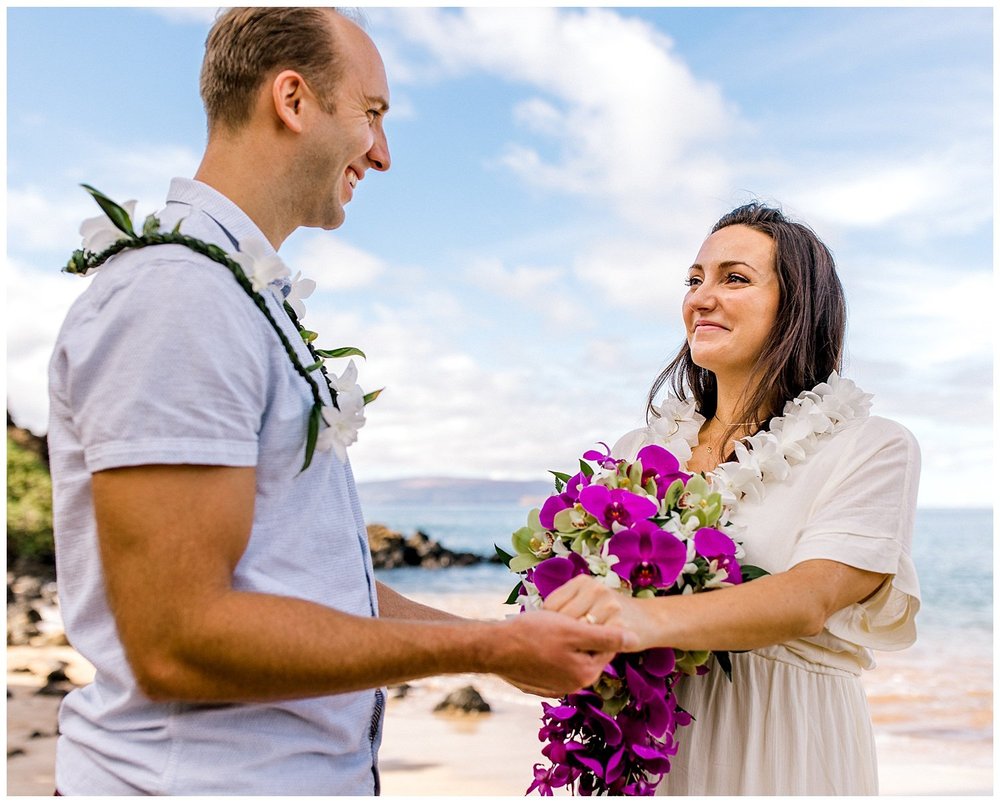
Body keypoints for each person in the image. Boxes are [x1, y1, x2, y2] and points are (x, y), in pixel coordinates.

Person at [47, 7, 632, 796]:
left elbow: (319, 586)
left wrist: (513, 643)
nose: (383, 154)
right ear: (293, 101)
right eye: (373, 114)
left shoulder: (232, 297)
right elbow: (178, 640)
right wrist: (487, 654)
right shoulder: (177, 298)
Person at [544, 202, 921, 795]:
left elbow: (809, 599)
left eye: (734, 278)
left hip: (788, 743)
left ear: (797, 307)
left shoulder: (870, 447)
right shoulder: (638, 450)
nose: (701, 297)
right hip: (653, 744)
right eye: (694, 280)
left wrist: (637, 620)